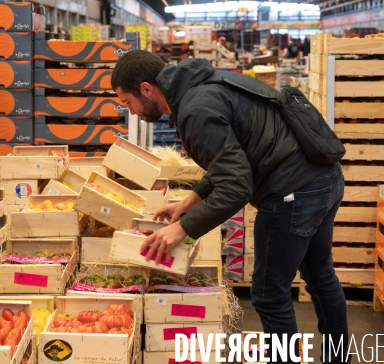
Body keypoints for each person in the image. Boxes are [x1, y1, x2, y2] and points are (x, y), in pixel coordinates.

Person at [111, 50, 348, 364]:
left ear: (146, 89)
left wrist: (182, 229)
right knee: (320, 277)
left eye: (128, 103)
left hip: (292, 193)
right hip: (323, 177)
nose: (133, 112)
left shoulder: (195, 109)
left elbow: (237, 187)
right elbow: (234, 159)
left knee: (268, 294)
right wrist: (191, 199)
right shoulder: (202, 83)